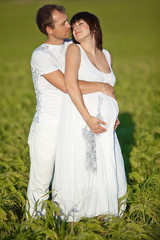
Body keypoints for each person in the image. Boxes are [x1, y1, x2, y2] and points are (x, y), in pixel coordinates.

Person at [26, 5, 117, 217]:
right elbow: (67, 85)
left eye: (68, 21)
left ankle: (72, 219)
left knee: (72, 178)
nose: (69, 26)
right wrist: (102, 87)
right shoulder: (40, 55)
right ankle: (33, 226)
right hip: (49, 126)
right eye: (63, 23)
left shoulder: (72, 46)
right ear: (49, 29)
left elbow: (97, 67)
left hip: (74, 122)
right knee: (41, 181)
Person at [53, 12, 127, 222]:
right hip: (81, 118)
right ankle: (78, 216)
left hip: (105, 125)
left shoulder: (107, 55)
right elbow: (70, 85)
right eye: (73, 26)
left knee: (104, 163)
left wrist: (115, 114)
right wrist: (86, 117)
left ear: (94, 27)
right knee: (84, 164)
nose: (75, 29)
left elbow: (109, 90)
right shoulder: (74, 50)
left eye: (80, 24)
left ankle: (104, 213)